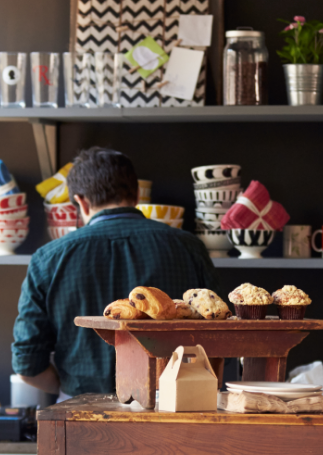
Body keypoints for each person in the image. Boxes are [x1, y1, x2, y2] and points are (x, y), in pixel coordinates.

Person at [12, 147, 217, 397]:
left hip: (83, 414)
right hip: (174, 408)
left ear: (80, 202)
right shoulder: (189, 247)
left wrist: (72, 393)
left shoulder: (48, 259)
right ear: (137, 194)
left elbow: (27, 363)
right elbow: (218, 342)